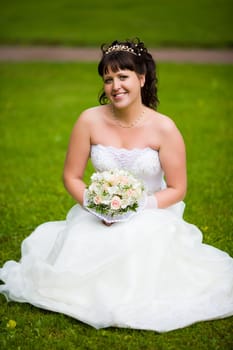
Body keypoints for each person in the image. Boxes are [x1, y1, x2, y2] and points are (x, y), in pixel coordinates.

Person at [0, 38, 232, 333]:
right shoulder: (88, 121)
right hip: (97, 213)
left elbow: (177, 188)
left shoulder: (165, 128)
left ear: (141, 78)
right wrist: (97, 206)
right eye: (108, 79)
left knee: (133, 242)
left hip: (151, 214)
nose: (115, 86)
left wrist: (134, 209)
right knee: (85, 246)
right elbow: (71, 176)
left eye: (123, 76)